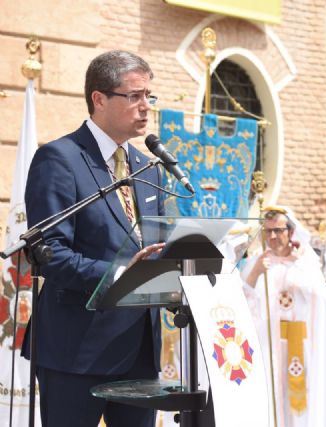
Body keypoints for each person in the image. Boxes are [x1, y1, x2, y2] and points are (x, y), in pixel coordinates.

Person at [23, 50, 165, 426]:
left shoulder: (149, 168)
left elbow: (156, 246)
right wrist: (118, 274)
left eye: (149, 96)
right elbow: (49, 252)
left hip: (139, 352)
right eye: (134, 96)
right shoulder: (60, 159)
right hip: (77, 351)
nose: (145, 107)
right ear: (98, 99)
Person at [241, 207, 326, 427]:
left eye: (278, 230)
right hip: (267, 343)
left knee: (302, 401)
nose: (272, 236)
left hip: (301, 344)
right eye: (267, 231)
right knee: (271, 398)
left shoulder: (306, 262)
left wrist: (297, 268)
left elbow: (320, 301)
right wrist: (255, 273)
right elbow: (242, 305)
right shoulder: (256, 263)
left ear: (290, 232)